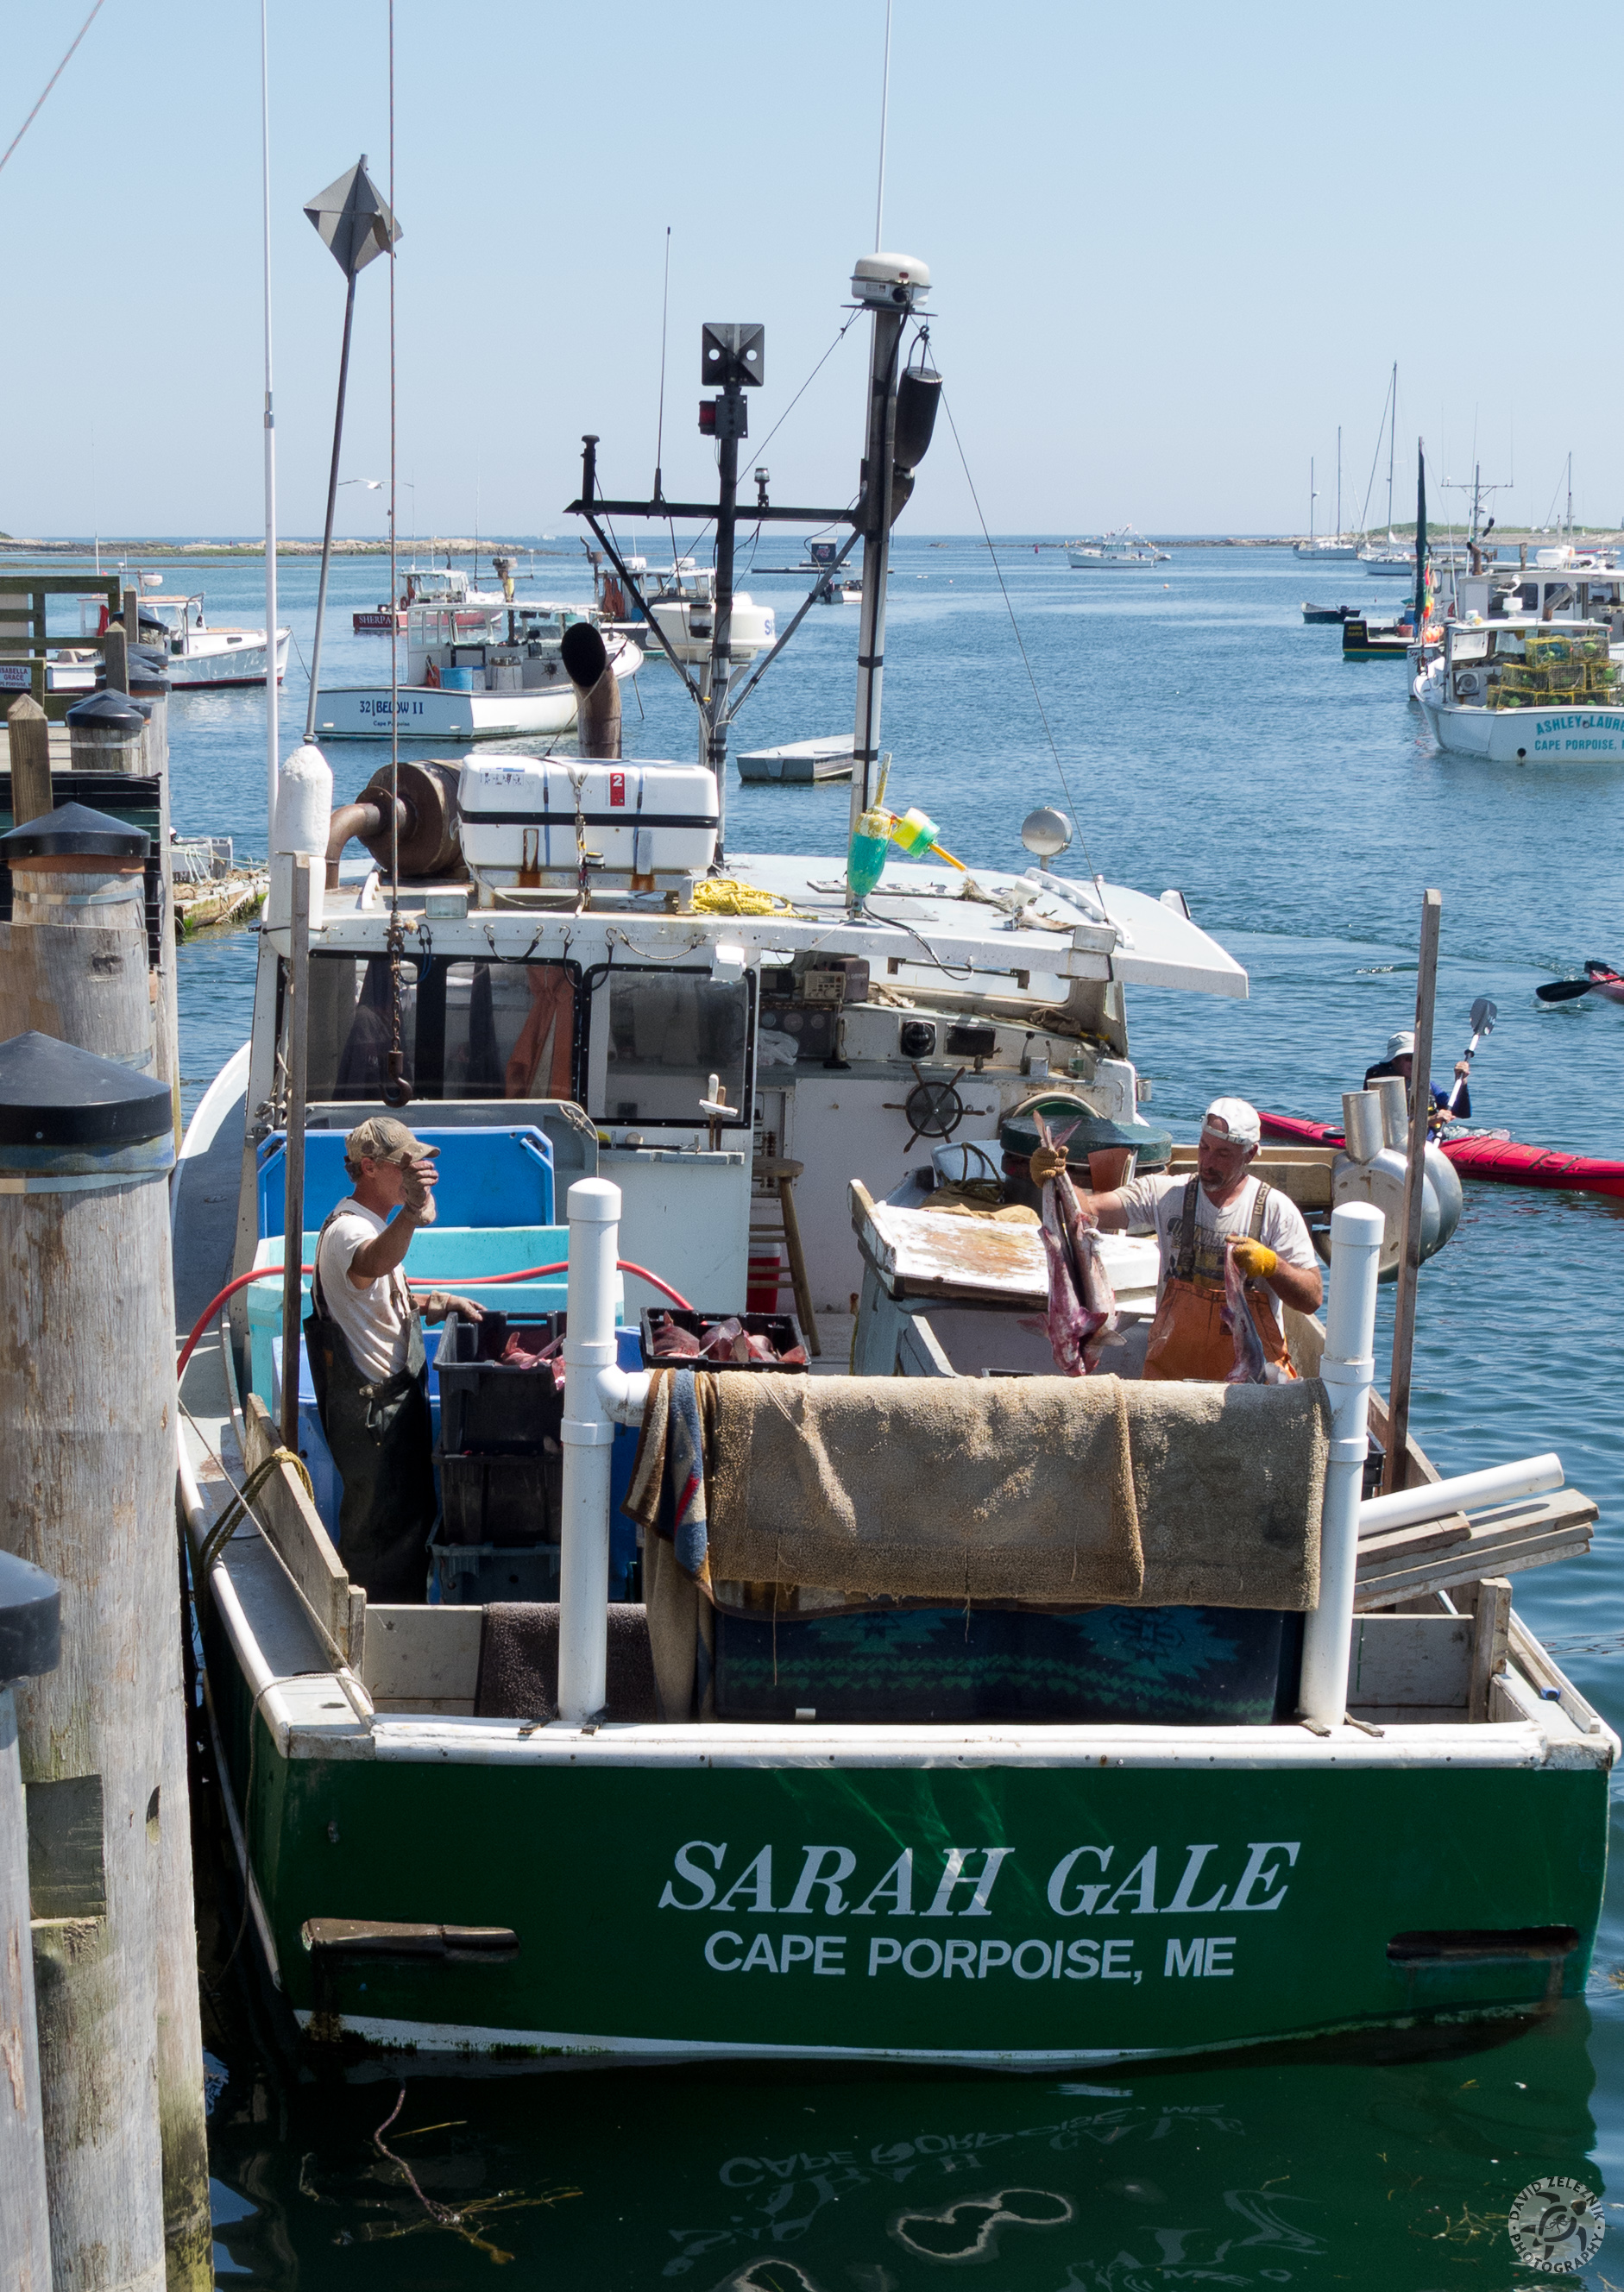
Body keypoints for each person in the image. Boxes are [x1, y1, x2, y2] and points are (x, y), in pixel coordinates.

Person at [304, 1117, 486, 1603]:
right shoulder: (349, 1231)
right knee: (382, 1533)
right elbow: (370, 1265)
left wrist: (435, 1302)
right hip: (374, 1415)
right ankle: (376, 1630)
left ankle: (395, 1618)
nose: (417, 1169)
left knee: (406, 1525)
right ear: (368, 1168)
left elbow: (376, 1299)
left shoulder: (371, 1225)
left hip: (389, 1407)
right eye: (404, 1163)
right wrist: (409, 1212)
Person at [1064, 1097, 1322, 1382]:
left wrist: (1272, 1265)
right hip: (1173, 1378)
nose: (1208, 1162)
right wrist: (1057, 1175)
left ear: (1249, 1155)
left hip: (1246, 1382)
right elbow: (1088, 1210)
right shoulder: (1165, 1194)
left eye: (1223, 1154)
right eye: (1204, 1148)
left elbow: (1311, 1298)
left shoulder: (1276, 1211)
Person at [1363, 1030, 1470, 1127]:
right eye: (1409, 1059)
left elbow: (1461, 1112)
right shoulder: (1380, 1085)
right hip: (1400, 1145)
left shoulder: (1427, 1085)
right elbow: (1390, 1123)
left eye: (1417, 1058)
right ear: (1394, 1060)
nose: (1414, 1063)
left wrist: (1461, 1081)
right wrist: (1430, 1120)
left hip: (1432, 1142)